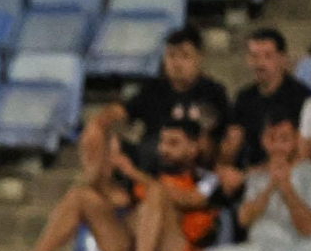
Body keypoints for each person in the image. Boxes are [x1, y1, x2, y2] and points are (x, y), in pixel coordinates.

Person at [0, 122, 218, 251]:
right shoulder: (151, 176)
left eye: (174, 143)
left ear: (193, 148)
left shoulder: (207, 178)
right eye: (163, 143)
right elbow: (112, 198)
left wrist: (133, 173)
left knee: (157, 193)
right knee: (81, 196)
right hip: (128, 249)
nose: (164, 149)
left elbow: (193, 199)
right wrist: (103, 157)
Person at [178, 113, 311, 251]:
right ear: (263, 140)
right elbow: (244, 220)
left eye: (285, 139)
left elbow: (309, 228)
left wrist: (286, 187)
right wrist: (270, 186)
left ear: (296, 139)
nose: (278, 146)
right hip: (255, 249)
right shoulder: (257, 175)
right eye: (272, 138)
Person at [82, 27, 230, 173]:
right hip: (151, 158)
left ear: (199, 58)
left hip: (194, 165)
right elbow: (121, 111)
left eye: (185, 56)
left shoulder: (213, 92)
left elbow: (226, 133)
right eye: (171, 56)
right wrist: (97, 124)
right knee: (106, 140)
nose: (177, 64)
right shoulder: (153, 89)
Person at [222, 29, 311, 183]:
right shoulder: (245, 97)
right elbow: (232, 141)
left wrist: (250, 175)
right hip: (248, 176)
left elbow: (302, 156)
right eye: (254, 56)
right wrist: (224, 167)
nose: (259, 63)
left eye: (267, 56)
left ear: (282, 59)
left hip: (290, 177)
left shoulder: (302, 98)